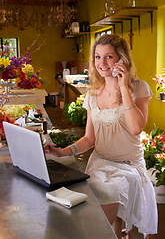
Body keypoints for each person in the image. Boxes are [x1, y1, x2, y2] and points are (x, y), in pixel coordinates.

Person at [44, 34, 158, 239]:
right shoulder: (92, 95)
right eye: (97, 57)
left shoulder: (138, 88)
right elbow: (89, 138)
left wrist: (123, 87)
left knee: (108, 193)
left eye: (109, 57)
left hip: (129, 165)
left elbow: (135, 129)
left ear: (122, 59)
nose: (102, 63)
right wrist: (62, 152)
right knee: (88, 197)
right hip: (100, 163)